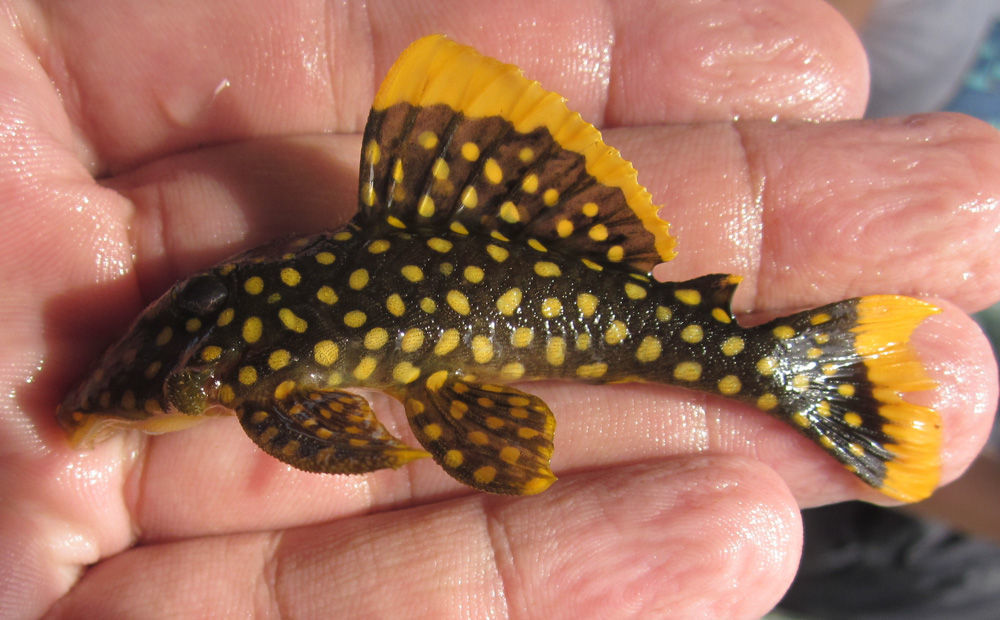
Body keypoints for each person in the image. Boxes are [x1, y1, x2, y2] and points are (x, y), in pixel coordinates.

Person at [1, 2, 997, 617]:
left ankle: (818, 386)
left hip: (527, 280)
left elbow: (347, 436)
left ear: (216, 383)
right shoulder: (242, 337)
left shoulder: (263, 388)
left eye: (171, 384)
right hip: (529, 268)